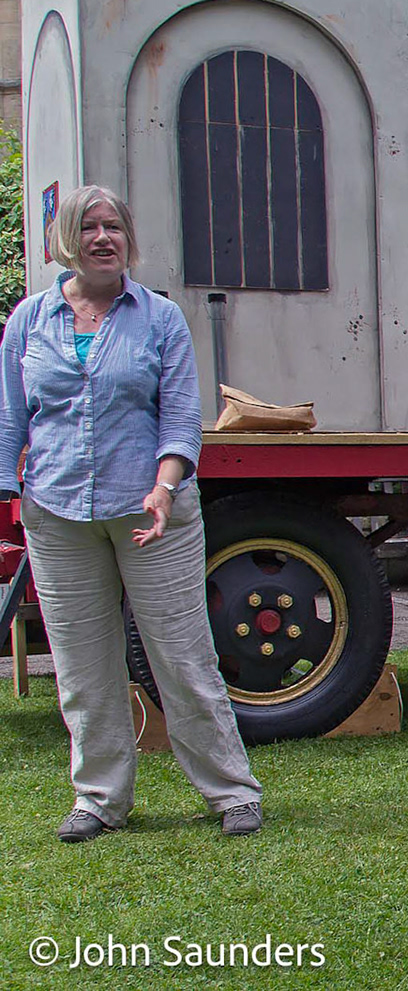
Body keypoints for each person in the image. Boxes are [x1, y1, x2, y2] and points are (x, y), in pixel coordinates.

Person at [0, 185, 263, 841]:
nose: (103, 237)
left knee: (183, 656)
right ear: (67, 238)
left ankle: (232, 792)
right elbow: (10, 417)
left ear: (128, 238)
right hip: (56, 512)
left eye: (114, 225)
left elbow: (179, 420)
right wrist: (9, 492)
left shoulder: (159, 319)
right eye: (88, 226)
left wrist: (165, 485)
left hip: (153, 512)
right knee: (83, 666)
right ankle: (98, 799)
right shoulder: (29, 321)